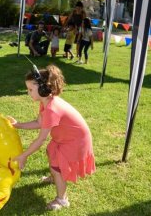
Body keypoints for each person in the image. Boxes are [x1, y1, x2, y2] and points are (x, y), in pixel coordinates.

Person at [10, 65, 95, 210]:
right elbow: (39, 123)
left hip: (76, 142)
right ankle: (54, 178)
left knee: (58, 168)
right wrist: (18, 125)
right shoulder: (46, 102)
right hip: (65, 139)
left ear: (43, 89)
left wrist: (24, 155)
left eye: (30, 89)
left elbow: (41, 139)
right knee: (51, 152)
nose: (28, 92)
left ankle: (62, 199)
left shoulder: (51, 109)